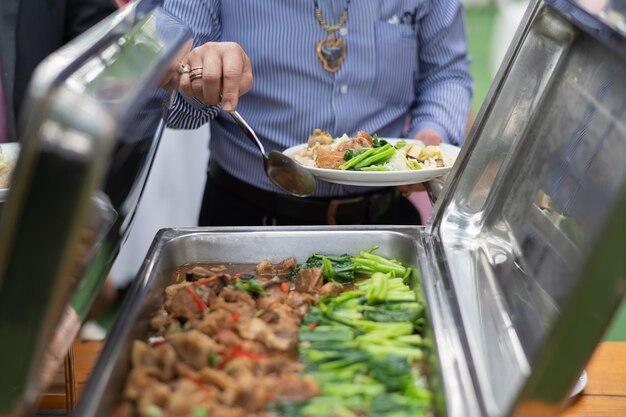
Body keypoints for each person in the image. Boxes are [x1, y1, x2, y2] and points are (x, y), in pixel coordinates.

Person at [164, 0, 473, 226]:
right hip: (247, 215)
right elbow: (174, 108)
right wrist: (200, 75)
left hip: (386, 219)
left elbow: (446, 74)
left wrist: (430, 137)